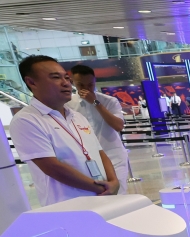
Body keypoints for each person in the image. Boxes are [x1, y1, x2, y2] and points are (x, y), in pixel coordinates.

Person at [8, 55, 120, 206]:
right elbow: (52, 167)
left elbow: (99, 152)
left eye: (66, 78)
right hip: (67, 205)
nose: (66, 83)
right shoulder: (26, 120)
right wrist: (100, 187)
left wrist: (113, 181)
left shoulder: (77, 116)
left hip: (102, 199)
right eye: (55, 77)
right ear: (31, 82)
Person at [67, 64, 129, 194]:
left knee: (118, 194)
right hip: (87, 159)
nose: (86, 89)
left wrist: (96, 103)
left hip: (113, 155)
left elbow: (118, 126)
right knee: (97, 196)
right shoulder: (67, 105)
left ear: (95, 81)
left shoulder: (109, 101)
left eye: (90, 84)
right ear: (73, 83)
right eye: (81, 85)